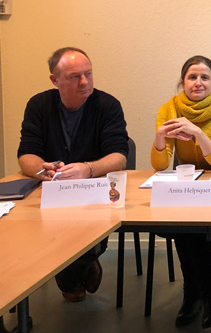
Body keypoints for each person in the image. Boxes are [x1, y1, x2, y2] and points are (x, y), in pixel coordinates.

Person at [17, 47, 128, 302]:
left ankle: (80, 268)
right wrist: (42, 168)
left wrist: (88, 168)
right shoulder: (38, 105)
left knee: (86, 238)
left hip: (94, 191)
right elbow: (26, 154)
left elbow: (119, 155)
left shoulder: (107, 105)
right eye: (74, 77)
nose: (85, 82)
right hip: (50, 191)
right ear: (55, 80)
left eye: (88, 73)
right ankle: (83, 266)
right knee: (39, 231)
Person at [151, 55, 211, 329]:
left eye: (204, 77)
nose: (198, 82)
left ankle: (198, 293)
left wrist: (197, 133)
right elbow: (160, 166)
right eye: (192, 77)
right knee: (184, 222)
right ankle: (205, 292)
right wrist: (160, 137)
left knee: (191, 224)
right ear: (183, 82)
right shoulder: (169, 109)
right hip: (189, 183)